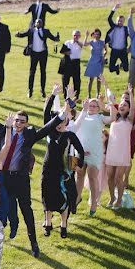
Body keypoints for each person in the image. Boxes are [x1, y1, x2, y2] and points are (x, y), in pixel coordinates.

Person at [0, 84, 62, 257]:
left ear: (26, 124)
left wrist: (62, 110)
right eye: (16, 120)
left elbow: (48, 127)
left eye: (21, 121)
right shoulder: (5, 131)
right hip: (4, 178)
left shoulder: (30, 135)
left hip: (21, 179)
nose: (18, 123)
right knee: (4, 207)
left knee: (26, 210)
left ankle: (34, 243)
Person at [41, 87, 85, 236]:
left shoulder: (70, 135)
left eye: (63, 121)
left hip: (63, 171)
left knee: (64, 196)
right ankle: (47, 223)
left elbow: (80, 150)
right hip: (48, 169)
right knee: (47, 195)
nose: (60, 124)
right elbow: (46, 114)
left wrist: (78, 165)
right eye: (58, 121)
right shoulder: (49, 132)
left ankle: (63, 225)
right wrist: (53, 95)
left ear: (67, 121)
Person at [74, 90, 112, 216]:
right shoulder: (82, 114)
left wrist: (110, 104)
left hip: (95, 150)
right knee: (79, 175)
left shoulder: (100, 117)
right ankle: (77, 198)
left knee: (92, 176)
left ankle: (94, 202)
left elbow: (112, 118)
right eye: (90, 105)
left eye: (95, 106)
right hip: (81, 149)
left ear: (98, 108)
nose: (92, 107)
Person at [104, 84, 135, 208]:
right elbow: (109, 99)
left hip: (123, 152)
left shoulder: (129, 120)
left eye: (125, 105)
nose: (122, 106)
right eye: (121, 104)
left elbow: (133, 108)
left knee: (118, 178)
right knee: (110, 178)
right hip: (111, 151)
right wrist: (105, 84)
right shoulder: (114, 118)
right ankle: (112, 198)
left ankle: (119, 201)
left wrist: (131, 94)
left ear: (128, 109)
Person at [16, 19, 60, 98]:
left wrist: (57, 37)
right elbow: (23, 35)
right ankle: (30, 90)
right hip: (33, 54)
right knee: (32, 72)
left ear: (42, 24)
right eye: (37, 22)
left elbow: (53, 38)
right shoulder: (31, 31)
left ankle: (42, 90)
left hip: (43, 53)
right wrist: (18, 34)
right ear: (35, 24)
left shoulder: (46, 31)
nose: (38, 23)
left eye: (40, 22)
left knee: (43, 72)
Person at [59, 30, 86, 99]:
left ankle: (76, 96)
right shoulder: (67, 42)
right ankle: (66, 96)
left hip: (76, 62)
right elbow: (62, 51)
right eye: (74, 35)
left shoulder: (79, 43)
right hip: (67, 62)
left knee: (76, 80)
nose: (75, 37)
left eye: (77, 35)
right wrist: (66, 53)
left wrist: (77, 41)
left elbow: (82, 46)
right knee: (65, 80)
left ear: (79, 36)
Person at [106, 4, 130, 75]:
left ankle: (121, 65)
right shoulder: (113, 27)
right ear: (117, 21)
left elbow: (132, 36)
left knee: (126, 69)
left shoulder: (126, 29)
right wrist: (114, 8)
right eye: (119, 21)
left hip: (123, 50)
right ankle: (116, 67)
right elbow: (109, 19)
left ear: (124, 22)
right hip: (114, 50)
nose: (120, 22)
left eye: (121, 21)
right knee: (111, 69)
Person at [84, 29, 106, 97]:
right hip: (92, 60)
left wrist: (103, 56)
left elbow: (106, 50)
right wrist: (86, 36)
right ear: (93, 35)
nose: (97, 36)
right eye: (95, 34)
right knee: (91, 79)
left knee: (99, 79)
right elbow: (84, 44)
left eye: (98, 34)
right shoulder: (91, 42)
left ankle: (98, 93)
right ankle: (89, 94)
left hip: (99, 61)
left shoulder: (102, 42)